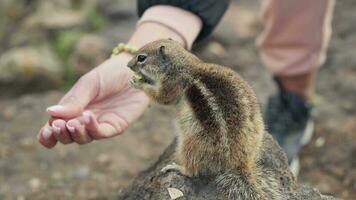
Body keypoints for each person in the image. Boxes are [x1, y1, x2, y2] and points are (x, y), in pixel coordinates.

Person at [38, 0, 335, 174]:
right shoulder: (184, 72)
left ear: (166, 59)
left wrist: (142, 85)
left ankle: (293, 100)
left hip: (210, 140)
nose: (134, 66)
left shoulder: (178, 79)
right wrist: (167, 21)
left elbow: (165, 98)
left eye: (140, 61)